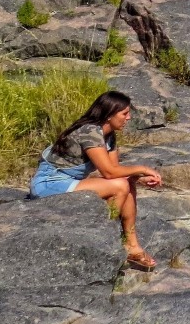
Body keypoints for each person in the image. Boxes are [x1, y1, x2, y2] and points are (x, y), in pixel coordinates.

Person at [29, 90, 164, 270]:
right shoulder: (89, 132)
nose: (129, 118)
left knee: (126, 183)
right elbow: (109, 172)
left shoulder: (109, 136)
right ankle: (105, 241)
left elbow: (117, 173)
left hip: (68, 181)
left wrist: (139, 179)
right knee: (119, 186)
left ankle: (132, 246)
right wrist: (143, 168)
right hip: (49, 183)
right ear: (109, 114)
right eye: (124, 113)